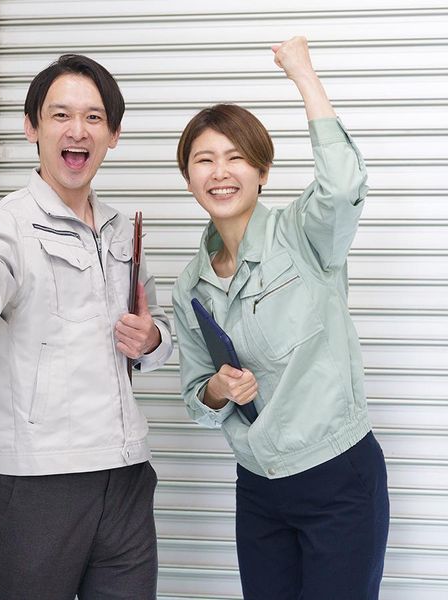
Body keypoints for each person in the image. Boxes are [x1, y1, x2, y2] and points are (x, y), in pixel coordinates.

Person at [0, 54, 173, 599]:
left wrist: (153, 339)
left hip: (125, 473)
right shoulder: (6, 224)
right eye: (60, 115)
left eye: (94, 117)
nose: (77, 130)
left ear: (113, 134)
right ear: (32, 128)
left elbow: (154, 330)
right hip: (39, 480)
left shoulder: (120, 228)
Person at [172, 37, 389, 600]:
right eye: (204, 160)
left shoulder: (305, 235)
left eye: (235, 157)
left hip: (338, 477)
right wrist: (219, 390)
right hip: (259, 488)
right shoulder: (190, 287)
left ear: (263, 170)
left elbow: (343, 185)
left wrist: (303, 75)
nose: (220, 173)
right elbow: (197, 399)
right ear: (188, 178)